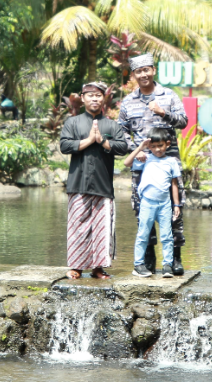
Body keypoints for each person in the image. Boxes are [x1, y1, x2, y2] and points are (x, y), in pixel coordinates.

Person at [117, 54, 188, 275]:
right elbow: (121, 131)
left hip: (169, 163)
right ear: (134, 74)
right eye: (139, 71)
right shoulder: (128, 101)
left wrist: (163, 113)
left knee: (174, 208)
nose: (143, 74)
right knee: (142, 210)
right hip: (142, 166)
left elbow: (184, 121)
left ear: (153, 70)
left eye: (146, 70)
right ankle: (149, 257)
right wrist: (133, 149)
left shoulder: (169, 95)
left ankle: (175, 258)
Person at [60, 81, 129, 280]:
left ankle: (98, 268)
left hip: (103, 185)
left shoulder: (111, 125)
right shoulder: (72, 123)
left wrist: (103, 142)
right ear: (82, 98)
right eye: (90, 95)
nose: (94, 98)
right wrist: (89, 140)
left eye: (98, 95)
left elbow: (122, 147)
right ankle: (77, 267)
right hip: (78, 183)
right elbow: (64, 145)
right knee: (78, 227)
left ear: (104, 99)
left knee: (102, 228)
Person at [123, 128, 181, 278]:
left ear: (167, 144)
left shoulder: (171, 162)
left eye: (160, 146)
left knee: (167, 235)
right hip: (147, 203)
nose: (157, 149)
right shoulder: (145, 158)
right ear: (149, 146)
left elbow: (174, 184)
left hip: (165, 204)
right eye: (153, 146)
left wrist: (176, 205)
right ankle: (138, 264)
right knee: (143, 234)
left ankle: (167, 265)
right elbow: (126, 162)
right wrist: (140, 148)